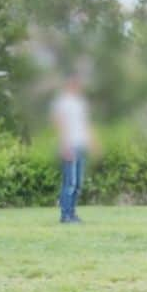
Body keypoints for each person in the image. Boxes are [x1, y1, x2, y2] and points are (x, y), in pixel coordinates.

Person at [51, 74, 95, 224]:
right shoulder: (62, 102)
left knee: (77, 184)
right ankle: (65, 215)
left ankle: (72, 214)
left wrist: (91, 142)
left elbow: (84, 124)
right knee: (69, 183)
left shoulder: (80, 102)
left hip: (80, 145)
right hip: (69, 145)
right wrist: (64, 145)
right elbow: (59, 124)